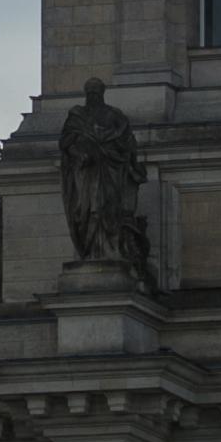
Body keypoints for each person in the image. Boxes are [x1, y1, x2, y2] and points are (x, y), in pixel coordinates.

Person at [58, 78, 155, 288]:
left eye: (96, 91)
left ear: (102, 92)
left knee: (107, 209)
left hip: (110, 171)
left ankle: (109, 250)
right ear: (86, 93)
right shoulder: (76, 115)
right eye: (90, 91)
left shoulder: (115, 115)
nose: (93, 94)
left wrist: (120, 155)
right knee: (84, 211)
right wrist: (79, 153)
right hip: (85, 173)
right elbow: (66, 142)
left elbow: (127, 143)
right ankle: (91, 251)